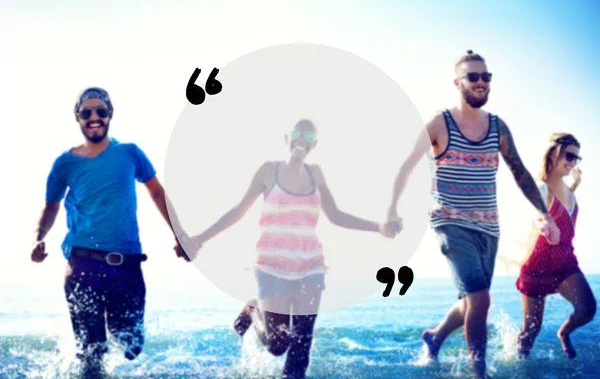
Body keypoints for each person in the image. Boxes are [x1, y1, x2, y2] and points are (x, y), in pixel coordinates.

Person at [384, 50, 560, 378]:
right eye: (473, 77)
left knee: (470, 300)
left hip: (489, 228)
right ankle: (479, 373)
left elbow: (520, 172)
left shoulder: (498, 127)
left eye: (486, 77)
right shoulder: (440, 122)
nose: (481, 83)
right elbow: (407, 166)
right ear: (458, 82)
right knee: (480, 300)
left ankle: (435, 337)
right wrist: (392, 210)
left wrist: (544, 214)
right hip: (450, 222)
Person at [177, 119, 398, 379]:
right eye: (297, 133)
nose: (301, 139)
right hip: (271, 267)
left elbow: (336, 215)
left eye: (308, 136)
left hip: (310, 266)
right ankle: (253, 308)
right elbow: (238, 211)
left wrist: (379, 227)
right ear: (287, 138)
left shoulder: (316, 173)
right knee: (278, 344)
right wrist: (199, 239)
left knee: (302, 345)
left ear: (314, 144)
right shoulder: (268, 171)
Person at [30, 87, 187, 376]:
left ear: (110, 115)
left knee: (132, 346)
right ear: (77, 118)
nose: (94, 117)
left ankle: (113, 332)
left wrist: (180, 234)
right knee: (93, 353)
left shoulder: (130, 153)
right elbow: (50, 207)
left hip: (126, 265)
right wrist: (39, 237)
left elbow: (156, 192)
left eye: (100, 111)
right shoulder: (64, 164)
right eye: (86, 112)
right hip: (83, 264)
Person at [515, 133, 596, 359]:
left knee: (588, 309)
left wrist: (576, 183)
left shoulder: (569, 191)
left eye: (576, 158)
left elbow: (564, 202)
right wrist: (544, 223)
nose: (572, 162)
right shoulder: (541, 188)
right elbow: (537, 211)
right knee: (531, 331)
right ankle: (518, 367)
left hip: (565, 262)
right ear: (553, 154)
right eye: (569, 156)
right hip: (537, 264)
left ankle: (565, 332)